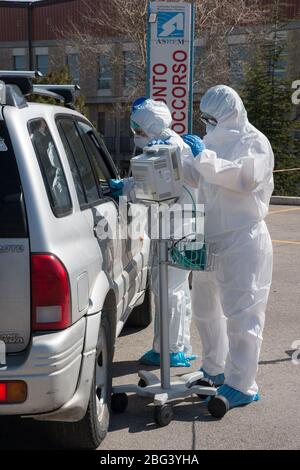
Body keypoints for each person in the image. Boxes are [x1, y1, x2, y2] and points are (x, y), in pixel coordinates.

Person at [181, 85, 274, 410]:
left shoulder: (254, 142)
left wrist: (203, 157)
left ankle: (242, 384)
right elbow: (199, 178)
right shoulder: (211, 139)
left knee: (242, 313)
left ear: (230, 113)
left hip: (242, 238)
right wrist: (180, 156)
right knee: (205, 307)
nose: (208, 123)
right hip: (213, 235)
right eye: (204, 118)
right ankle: (214, 368)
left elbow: (243, 179)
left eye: (213, 118)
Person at [130, 97, 198, 367]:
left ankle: (170, 351)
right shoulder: (169, 144)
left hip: (175, 229)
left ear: (149, 125)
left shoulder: (165, 148)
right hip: (180, 227)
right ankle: (179, 346)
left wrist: (123, 189)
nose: (136, 135)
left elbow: (150, 189)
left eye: (138, 129)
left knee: (168, 290)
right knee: (177, 289)